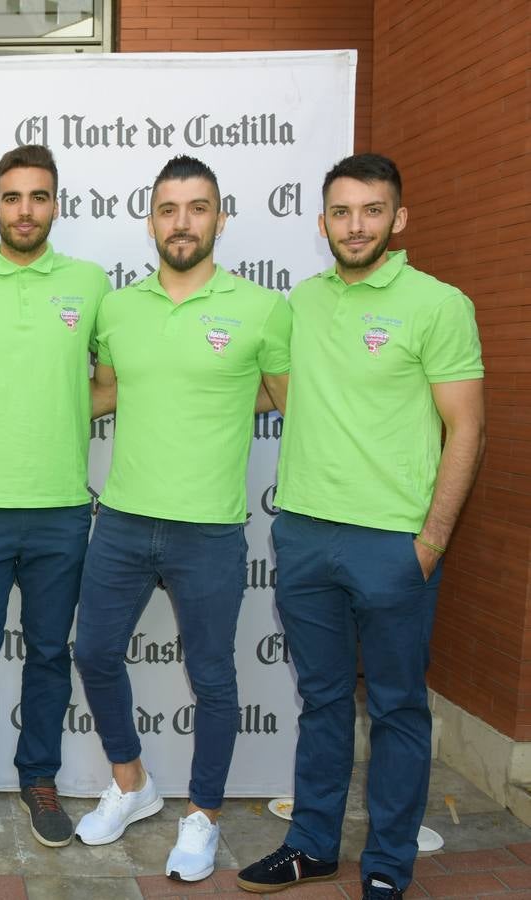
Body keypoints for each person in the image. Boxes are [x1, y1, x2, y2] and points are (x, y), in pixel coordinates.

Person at [237, 153, 484, 899]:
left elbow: (466, 428)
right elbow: (264, 394)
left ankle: (386, 866)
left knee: (399, 708)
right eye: (341, 213)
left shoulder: (439, 304)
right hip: (306, 535)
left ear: (398, 218)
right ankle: (312, 844)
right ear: (322, 224)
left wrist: (430, 542)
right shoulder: (300, 304)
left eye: (371, 211)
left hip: (394, 546)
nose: (355, 226)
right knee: (320, 702)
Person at [71, 155, 291, 883]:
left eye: (198, 209)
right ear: (151, 221)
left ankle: (202, 817)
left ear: (220, 218)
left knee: (213, 678)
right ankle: (132, 784)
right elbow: (103, 393)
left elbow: (284, 400)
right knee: (94, 653)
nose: (183, 223)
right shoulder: (118, 309)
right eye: (169, 209)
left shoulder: (261, 309)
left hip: (209, 532)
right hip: (124, 520)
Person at [0, 144, 111, 853]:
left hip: (61, 507)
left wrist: (66, 406)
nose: (25, 210)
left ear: (56, 205)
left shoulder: (90, 284)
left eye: (38, 197)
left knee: (46, 654)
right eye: (12, 197)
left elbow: (119, 378)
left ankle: (40, 779)